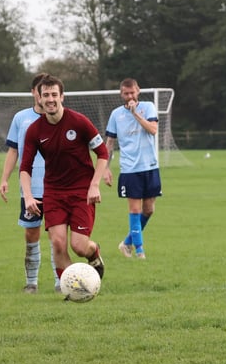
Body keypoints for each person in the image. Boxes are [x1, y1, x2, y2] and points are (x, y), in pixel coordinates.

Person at [19, 74, 108, 282]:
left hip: (81, 192)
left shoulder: (79, 122)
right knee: (58, 244)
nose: (50, 99)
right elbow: (25, 167)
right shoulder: (34, 130)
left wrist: (94, 185)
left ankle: (94, 253)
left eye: (54, 94)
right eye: (46, 95)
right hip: (54, 193)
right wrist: (29, 196)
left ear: (62, 97)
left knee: (79, 246)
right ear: (39, 98)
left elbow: (103, 153)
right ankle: (75, 286)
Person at [0, 73, 60, 293]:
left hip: (56, 187)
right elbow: (13, 150)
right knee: (31, 234)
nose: (45, 96)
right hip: (30, 188)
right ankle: (31, 282)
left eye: (50, 92)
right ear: (35, 92)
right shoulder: (21, 118)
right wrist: (4, 179)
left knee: (57, 236)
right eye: (40, 91)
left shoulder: (60, 118)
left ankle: (59, 281)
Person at [104, 78, 162, 259]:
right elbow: (110, 143)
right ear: (121, 94)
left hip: (150, 167)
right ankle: (140, 252)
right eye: (126, 93)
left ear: (138, 91)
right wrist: (105, 167)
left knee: (149, 210)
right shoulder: (116, 115)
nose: (129, 96)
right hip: (129, 170)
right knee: (135, 210)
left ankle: (127, 243)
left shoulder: (148, 107)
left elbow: (153, 129)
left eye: (132, 92)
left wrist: (136, 114)